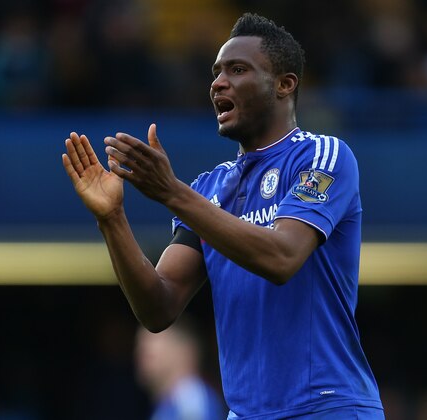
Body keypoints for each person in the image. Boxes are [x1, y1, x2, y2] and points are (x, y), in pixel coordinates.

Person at [62, 12, 384, 419]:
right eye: (216, 72)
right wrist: (112, 219)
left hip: (327, 407)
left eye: (237, 69)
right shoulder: (209, 190)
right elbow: (158, 307)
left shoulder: (322, 156)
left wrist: (172, 193)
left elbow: (282, 257)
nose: (217, 82)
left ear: (285, 85)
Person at [135, 315, 227, 420]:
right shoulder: (169, 405)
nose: (139, 354)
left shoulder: (191, 400)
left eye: (149, 354)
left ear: (184, 352)